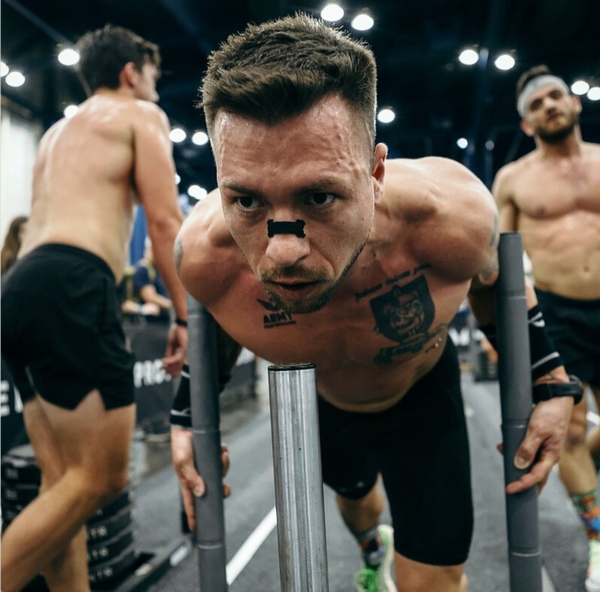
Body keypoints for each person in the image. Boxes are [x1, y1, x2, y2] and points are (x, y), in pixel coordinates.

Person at [170, 15, 578, 592]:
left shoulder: (450, 218)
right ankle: (370, 547)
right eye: (247, 201)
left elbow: (496, 283)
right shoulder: (206, 257)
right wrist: (185, 420)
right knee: (358, 503)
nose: (283, 252)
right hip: (317, 403)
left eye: (319, 196)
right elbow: (216, 325)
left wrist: (551, 385)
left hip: (421, 397)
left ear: (376, 173)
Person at [0, 24, 188, 591]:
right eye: (152, 74)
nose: (155, 87)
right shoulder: (139, 115)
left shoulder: (56, 132)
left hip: (19, 286)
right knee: (101, 478)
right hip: (72, 285)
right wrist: (185, 315)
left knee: (62, 484)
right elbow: (164, 222)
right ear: (131, 73)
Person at [493, 64, 600, 592]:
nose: (549, 106)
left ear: (574, 103)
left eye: (555, 96)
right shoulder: (514, 179)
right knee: (571, 430)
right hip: (558, 312)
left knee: (588, 436)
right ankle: (598, 539)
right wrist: (505, 338)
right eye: (536, 105)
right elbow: (498, 263)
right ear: (527, 123)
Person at [132, 237, 172, 317]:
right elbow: (150, 297)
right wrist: (173, 306)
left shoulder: (160, 269)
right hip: (152, 320)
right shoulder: (143, 270)